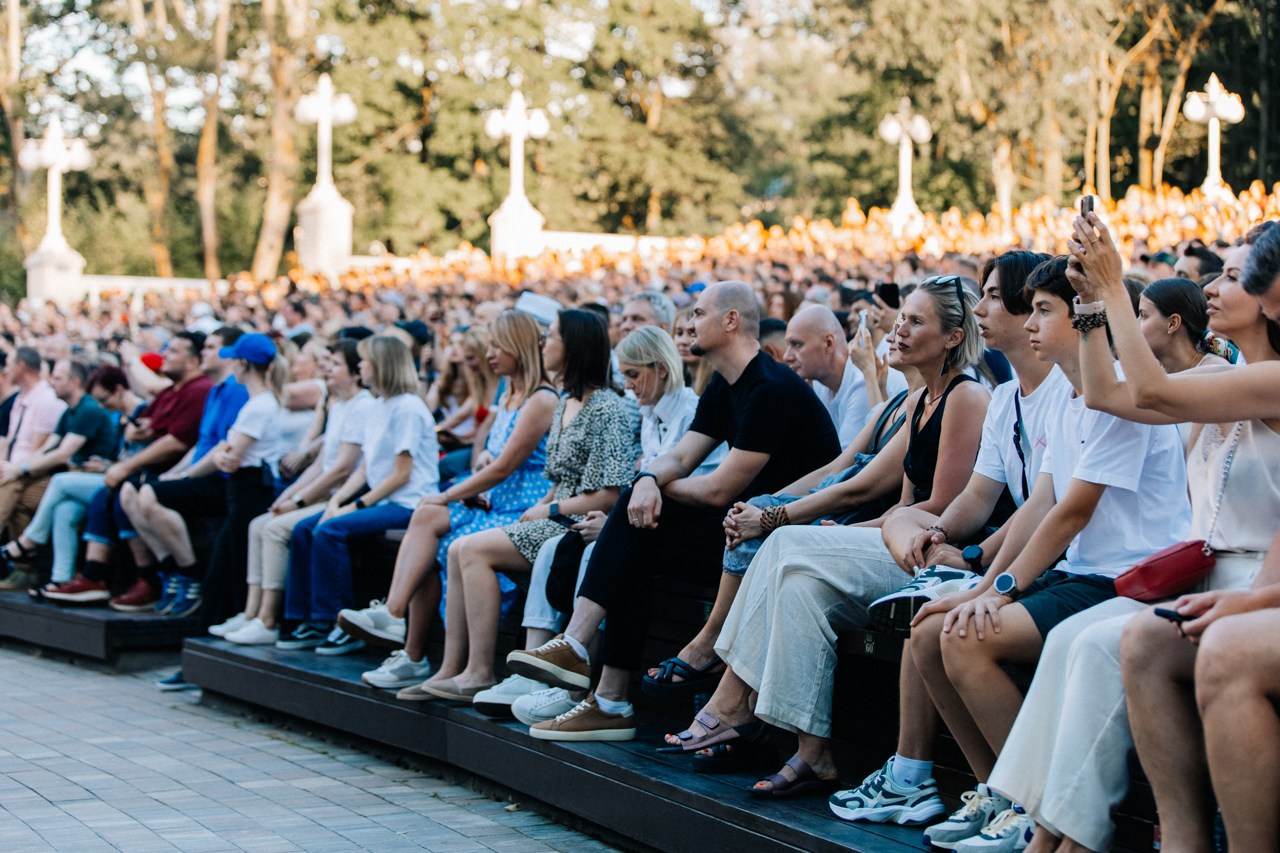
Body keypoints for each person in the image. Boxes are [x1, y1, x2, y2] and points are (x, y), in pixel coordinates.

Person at [658, 275, 988, 792]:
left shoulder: (966, 397)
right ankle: (814, 752)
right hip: (894, 539)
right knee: (800, 587)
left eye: (915, 321)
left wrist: (782, 519)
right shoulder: (922, 401)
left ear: (952, 337)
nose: (898, 330)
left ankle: (732, 697)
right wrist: (842, 527)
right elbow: (883, 494)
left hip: (928, 558)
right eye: (902, 318)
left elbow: (940, 510)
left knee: (785, 542)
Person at [906, 257, 1189, 851]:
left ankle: (1030, 806)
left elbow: (1071, 513)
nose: (1029, 323)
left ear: (1084, 318)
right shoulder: (1066, 395)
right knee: (929, 629)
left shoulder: (1108, 395)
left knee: (964, 637)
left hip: (1125, 579)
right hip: (1082, 573)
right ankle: (997, 793)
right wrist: (982, 583)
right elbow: (1041, 504)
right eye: (1029, 309)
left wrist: (994, 590)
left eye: (1044, 310)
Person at [505, 280, 849, 742]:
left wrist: (645, 486)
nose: (688, 323)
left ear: (731, 321)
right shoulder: (725, 386)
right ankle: (597, 684)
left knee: (635, 517)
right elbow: (681, 458)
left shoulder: (771, 388)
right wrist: (647, 480)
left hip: (784, 533)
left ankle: (592, 673)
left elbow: (717, 489)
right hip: (740, 529)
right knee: (636, 525)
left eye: (699, 313)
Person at [827, 250, 1065, 829]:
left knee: (945, 623)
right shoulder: (1008, 398)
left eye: (993, 297)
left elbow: (1050, 507)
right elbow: (974, 498)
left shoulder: (1052, 393)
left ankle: (1031, 803)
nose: (981, 307)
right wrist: (935, 537)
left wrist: (983, 571)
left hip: (1049, 563)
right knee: (925, 598)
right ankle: (992, 792)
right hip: (996, 553)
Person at [413, 308, 638, 702]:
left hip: (579, 522)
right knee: (459, 548)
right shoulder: (568, 401)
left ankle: (481, 670)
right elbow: (556, 478)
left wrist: (549, 509)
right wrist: (545, 502)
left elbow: (610, 494)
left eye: (550, 336)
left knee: (472, 548)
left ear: (573, 347)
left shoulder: (607, 408)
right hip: (555, 513)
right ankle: (458, 667)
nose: (542, 343)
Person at [344, 310, 555, 694]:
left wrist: (447, 491)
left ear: (520, 347)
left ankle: (445, 662)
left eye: (497, 345)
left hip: (518, 504)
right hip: (494, 497)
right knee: (426, 521)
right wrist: (482, 461)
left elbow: (505, 467)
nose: (490, 353)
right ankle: (406, 631)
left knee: (442, 533)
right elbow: (492, 457)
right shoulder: (506, 392)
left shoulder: (541, 399)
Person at [277, 335, 440, 654]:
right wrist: (337, 502)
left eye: (365, 361)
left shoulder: (407, 407)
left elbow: (402, 474)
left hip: (407, 502)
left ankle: (338, 622)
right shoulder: (379, 405)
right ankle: (307, 619)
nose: (361, 366)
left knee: (331, 529)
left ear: (381, 366)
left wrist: (355, 505)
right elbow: (365, 469)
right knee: (304, 528)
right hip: (383, 499)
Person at [213, 339, 374, 644]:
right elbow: (320, 465)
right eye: (326, 362)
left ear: (355, 373)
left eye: (335, 363)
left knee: (277, 529)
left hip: (344, 495)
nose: (326, 368)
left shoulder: (362, 406)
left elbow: (342, 469)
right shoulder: (338, 405)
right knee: (259, 524)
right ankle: (251, 613)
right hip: (325, 491)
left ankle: (269, 619)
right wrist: (287, 497)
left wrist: (299, 499)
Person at [36, 333, 213, 607]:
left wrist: (125, 465)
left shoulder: (199, 389)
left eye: (174, 351)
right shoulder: (171, 392)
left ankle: (170, 575)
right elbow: (151, 424)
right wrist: (141, 432)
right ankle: (69, 577)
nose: (165, 355)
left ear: (192, 360)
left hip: (179, 475)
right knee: (72, 506)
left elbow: (177, 442)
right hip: (148, 474)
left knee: (108, 490)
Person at [116, 328, 250, 614]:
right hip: (200, 472)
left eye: (211, 347)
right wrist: (175, 473)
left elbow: (223, 446)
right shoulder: (215, 390)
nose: (204, 352)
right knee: (130, 491)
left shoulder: (236, 390)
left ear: (230, 355)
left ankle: (191, 573)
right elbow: (200, 445)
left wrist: (186, 476)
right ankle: (171, 569)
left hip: (219, 479)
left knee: (151, 494)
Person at [0, 359, 115, 590]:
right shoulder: (69, 412)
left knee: (48, 483)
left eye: (58, 378)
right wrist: (17, 469)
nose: (52, 382)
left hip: (95, 481)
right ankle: (60, 579)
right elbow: (47, 449)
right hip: (76, 481)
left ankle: (26, 543)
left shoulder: (88, 410)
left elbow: (64, 453)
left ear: (75, 382)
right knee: (61, 511)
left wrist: (20, 470)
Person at [783, 304, 907, 445]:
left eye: (797, 344)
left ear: (829, 343)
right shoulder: (817, 383)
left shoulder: (861, 382)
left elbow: (845, 462)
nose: (787, 356)